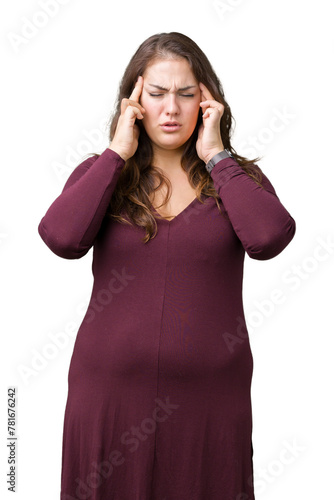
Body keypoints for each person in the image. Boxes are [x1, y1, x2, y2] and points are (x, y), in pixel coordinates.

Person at [38, 31, 296, 500]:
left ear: (208, 102)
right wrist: (117, 151)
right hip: (109, 399)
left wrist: (217, 157)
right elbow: (61, 238)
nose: (171, 109)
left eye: (186, 94)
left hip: (211, 405)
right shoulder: (103, 173)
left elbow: (269, 239)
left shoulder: (235, 180)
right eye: (156, 94)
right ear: (134, 101)